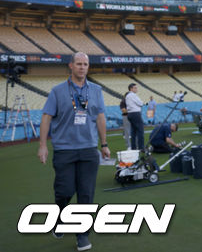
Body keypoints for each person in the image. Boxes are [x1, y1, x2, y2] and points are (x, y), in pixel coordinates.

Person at [38, 52, 110, 251]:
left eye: (85, 64)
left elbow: (100, 117)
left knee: (86, 194)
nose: (82, 67)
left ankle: (82, 235)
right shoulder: (58, 91)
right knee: (65, 191)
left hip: (88, 149)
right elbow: (46, 117)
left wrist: (104, 144)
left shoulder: (96, 90)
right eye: (78, 63)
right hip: (64, 150)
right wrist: (43, 145)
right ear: (71, 66)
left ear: (88, 67)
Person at [125, 83, 145, 150]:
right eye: (135, 88)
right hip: (135, 113)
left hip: (130, 114)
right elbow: (141, 103)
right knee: (140, 131)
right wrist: (142, 103)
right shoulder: (133, 95)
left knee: (133, 132)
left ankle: (133, 147)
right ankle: (141, 147)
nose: (136, 89)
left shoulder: (127, 96)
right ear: (131, 89)